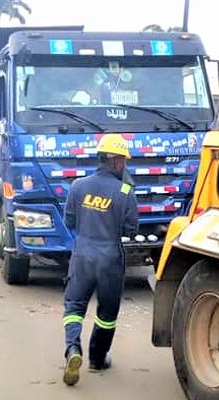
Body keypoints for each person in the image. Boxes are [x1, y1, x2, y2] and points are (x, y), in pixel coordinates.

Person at [62, 133, 138, 386]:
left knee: (74, 306)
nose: (124, 166)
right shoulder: (126, 191)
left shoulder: (78, 186)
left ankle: (73, 350)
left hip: (82, 256)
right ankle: (97, 358)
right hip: (110, 260)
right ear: (116, 161)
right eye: (123, 161)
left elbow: (69, 221)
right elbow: (131, 229)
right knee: (107, 313)